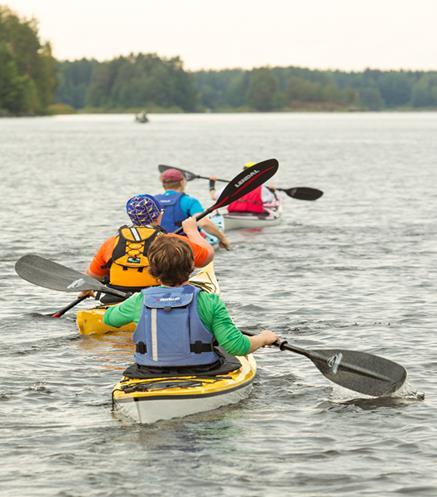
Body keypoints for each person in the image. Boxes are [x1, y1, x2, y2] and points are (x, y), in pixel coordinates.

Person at [103, 235, 278, 367]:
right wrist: (263, 338)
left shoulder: (140, 300)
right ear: (191, 266)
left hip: (150, 371)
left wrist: (131, 301)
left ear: (152, 270)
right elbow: (237, 347)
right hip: (200, 370)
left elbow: (108, 319)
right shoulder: (209, 301)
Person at [83, 194, 214, 301]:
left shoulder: (111, 243)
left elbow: (92, 277)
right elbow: (207, 257)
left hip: (118, 302)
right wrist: (191, 231)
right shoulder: (172, 242)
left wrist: (85, 290)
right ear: (158, 215)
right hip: (158, 301)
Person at [155, 168, 230, 250]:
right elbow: (203, 223)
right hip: (184, 247)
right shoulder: (189, 201)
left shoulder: (153, 200)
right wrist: (222, 238)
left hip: (158, 245)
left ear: (163, 184)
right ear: (182, 182)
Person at [209, 162, 279, 215]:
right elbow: (270, 201)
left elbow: (213, 197)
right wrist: (272, 191)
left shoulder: (233, 186)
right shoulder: (263, 189)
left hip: (233, 215)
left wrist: (212, 184)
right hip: (254, 216)